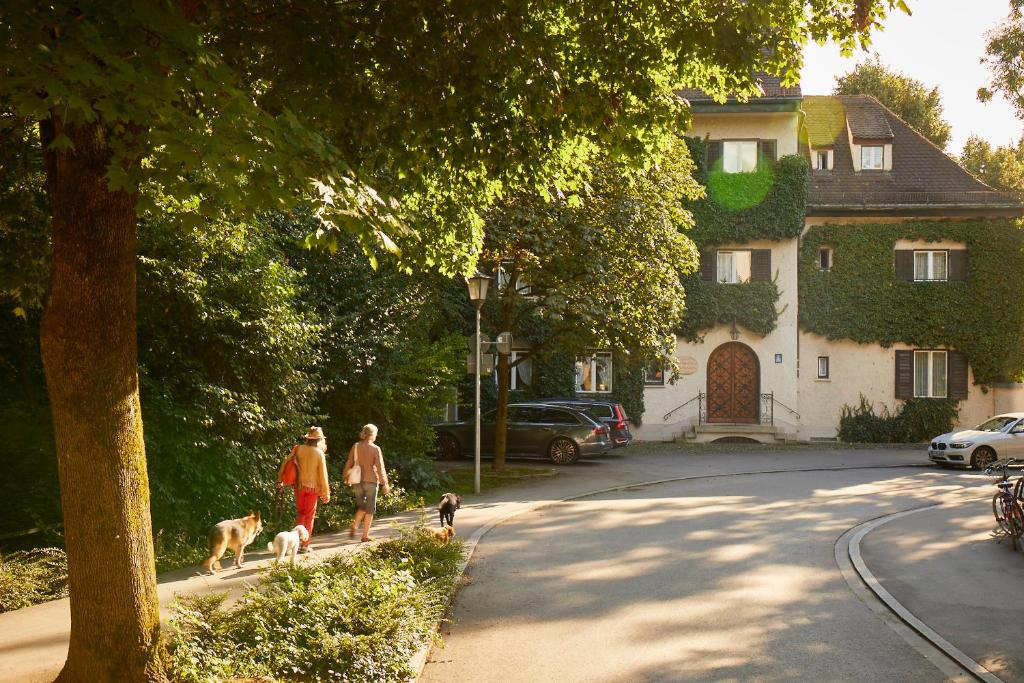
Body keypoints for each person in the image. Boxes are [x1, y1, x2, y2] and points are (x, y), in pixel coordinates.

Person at [277, 425, 330, 553]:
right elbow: (323, 475)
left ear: (308, 438)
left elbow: (285, 462)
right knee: (309, 516)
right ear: (319, 440)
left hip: (299, 487)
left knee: (301, 513)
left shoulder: (298, 449)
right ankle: (305, 545)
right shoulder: (319, 453)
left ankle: (297, 543)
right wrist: (325, 492)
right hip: (313, 489)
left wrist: (280, 479)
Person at [344, 423, 391, 542]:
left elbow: (349, 463)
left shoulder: (355, 446)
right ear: (372, 434)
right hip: (371, 481)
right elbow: (380, 467)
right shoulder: (375, 449)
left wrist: (346, 477)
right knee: (369, 508)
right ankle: (365, 535)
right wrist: (384, 483)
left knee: (362, 506)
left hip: (357, 480)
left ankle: (355, 525)